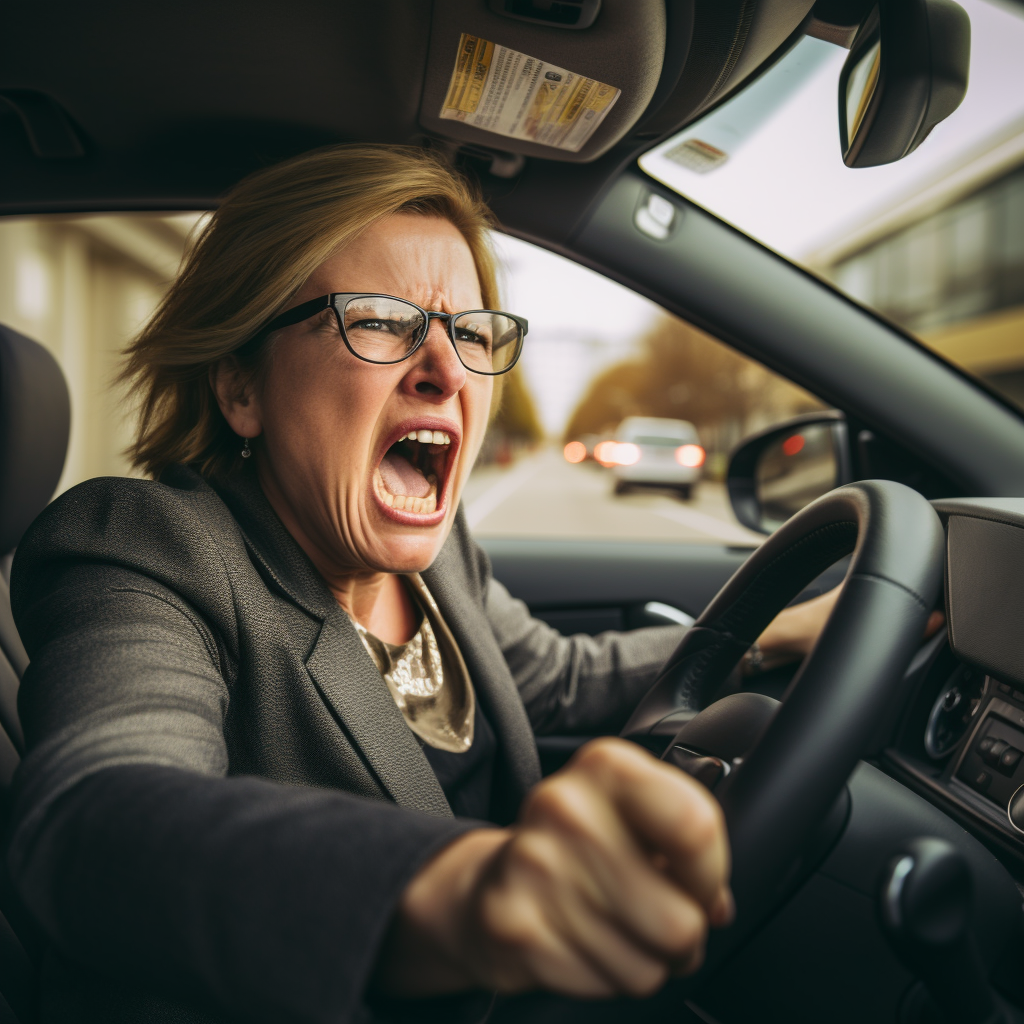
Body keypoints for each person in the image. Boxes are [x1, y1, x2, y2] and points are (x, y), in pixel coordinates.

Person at [8, 145, 836, 1024]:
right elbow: (96, 821)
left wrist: (781, 634)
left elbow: (554, 678)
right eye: (378, 319)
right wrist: (469, 889)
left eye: (471, 332)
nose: (445, 369)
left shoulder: (437, 553)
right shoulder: (146, 548)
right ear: (241, 385)